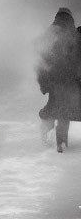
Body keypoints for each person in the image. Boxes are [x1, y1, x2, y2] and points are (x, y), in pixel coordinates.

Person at [37, 8, 81, 152]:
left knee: (52, 107)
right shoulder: (75, 35)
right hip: (70, 80)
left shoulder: (48, 35)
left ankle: (44, 134)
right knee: (65, 111)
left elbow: (41, 61)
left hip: (53, 80)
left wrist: (43, 84)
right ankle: (61, 143)